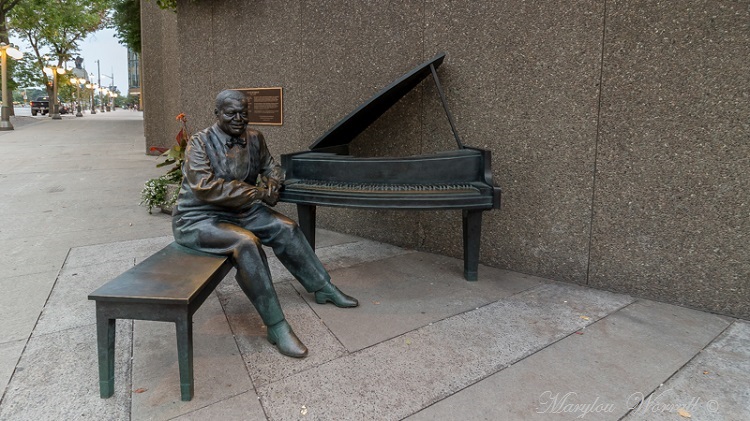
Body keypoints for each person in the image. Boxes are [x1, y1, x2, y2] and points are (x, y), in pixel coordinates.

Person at [172, 89, 358, 358]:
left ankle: (322, 287)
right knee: (246, 243)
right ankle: (276, 325)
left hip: (242, 211)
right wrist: (258, 193)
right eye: (231, 113)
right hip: (198, 217)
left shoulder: (255, 138)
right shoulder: (199, 143)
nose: (239, 118)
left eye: (244, 113)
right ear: (217, 114)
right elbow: (206, 187)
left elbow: (271, 167)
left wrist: (272, 183)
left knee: (287, 228)